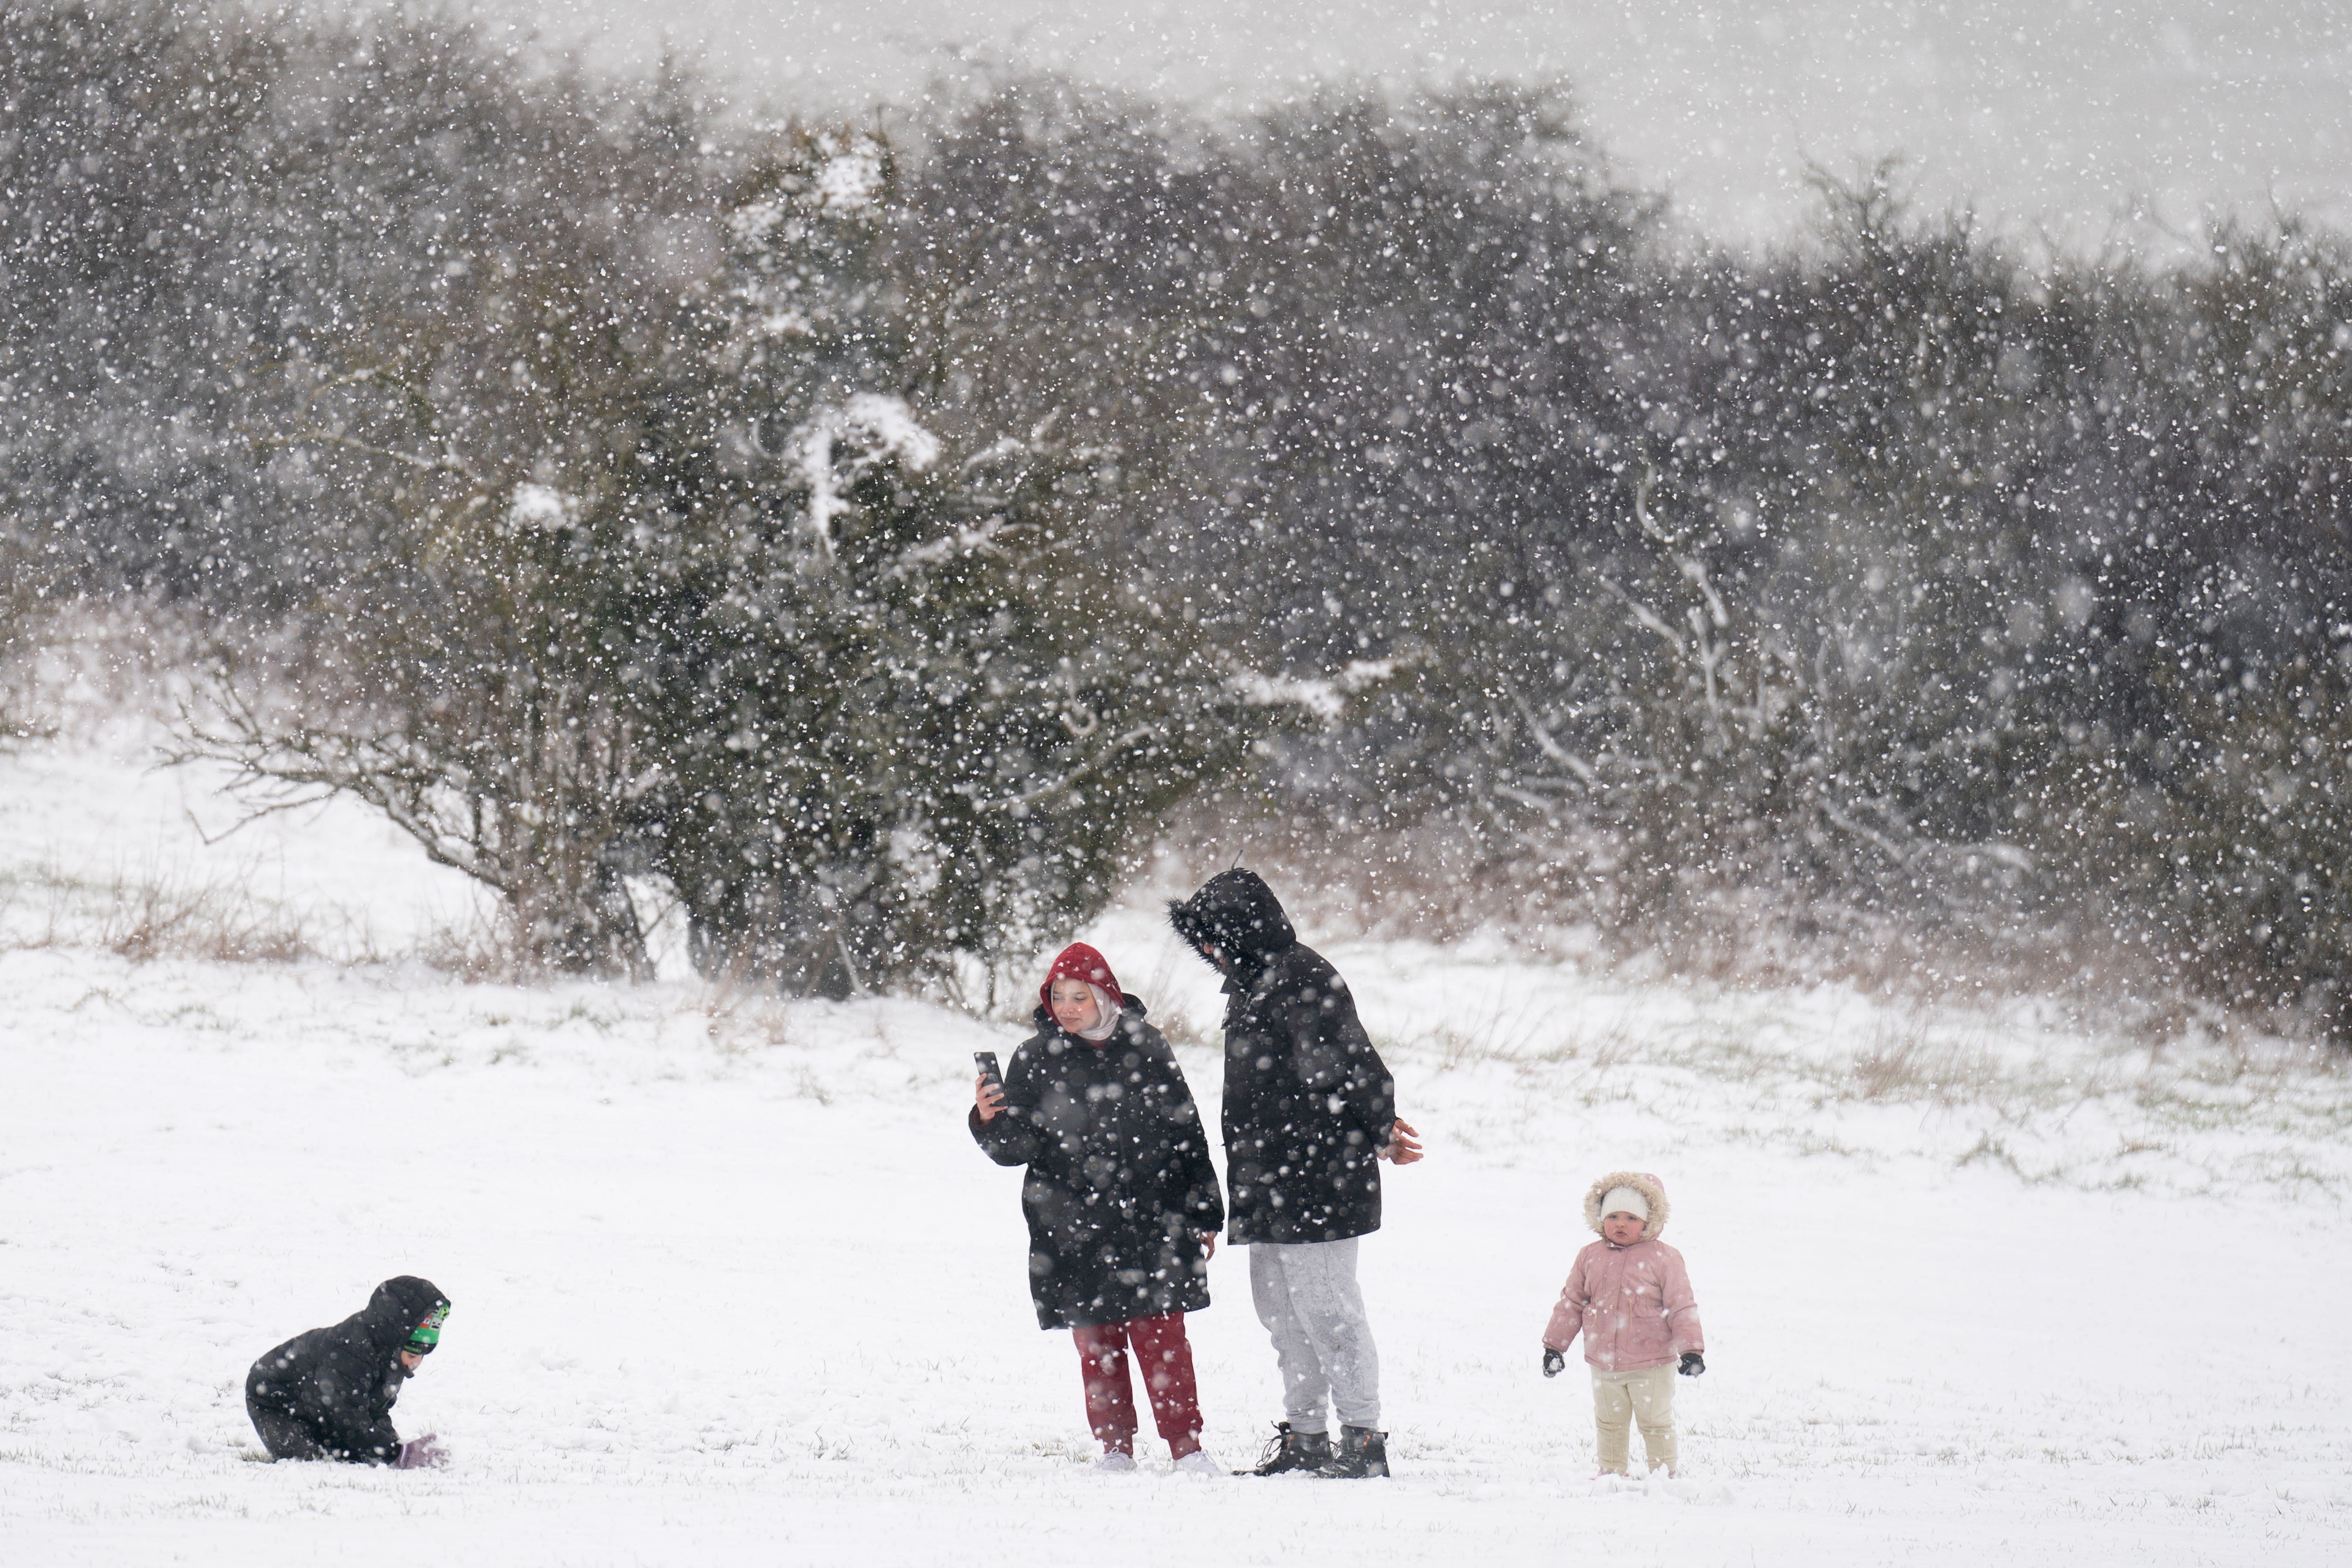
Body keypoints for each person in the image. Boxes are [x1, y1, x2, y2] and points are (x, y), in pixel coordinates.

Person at [1168, 868, 1422, 1480]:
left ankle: (1362, 1440)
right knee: (1281, 1313)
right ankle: (1306, 1435)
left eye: (1215, 934)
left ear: (1245, 928)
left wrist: (1379, 1124)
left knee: (1329, 1309)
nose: (1208, 949)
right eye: (1200, 938)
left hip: (1320, 1179)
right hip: (1267, 1178)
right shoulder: (1251, 984)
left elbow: (1350, 1064)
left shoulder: (1304, 977)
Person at [971, 942, 1227, 1474]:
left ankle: (1187, 1447)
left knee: (1164, 1341)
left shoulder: (1147, 1046)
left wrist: (1203, 1212)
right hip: (1072, 1225)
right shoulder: (1035, 1058)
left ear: (1105, 995)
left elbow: (1186, 1132)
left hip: (1154, 1218)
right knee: (1098, 1343)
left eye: (1078, 997)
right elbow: (1017, 1151)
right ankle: (1115, 1448)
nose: (1067, 1008)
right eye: (1058, 997)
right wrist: (989, 1120)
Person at [1541, 1171, 1706, 1477]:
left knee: (1655, 1420)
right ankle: (1612, 1471)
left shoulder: (1664, 1258)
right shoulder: (1590, 1256)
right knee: (1609, 1420)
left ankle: (1664, 1473)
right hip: (1604, 1362)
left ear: (1649, 1221)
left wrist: (1691, 1350)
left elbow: (1682, 1305)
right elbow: (1572, 1302)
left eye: (1631, 1217)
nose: (1620, 1224)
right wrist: (1554, 1347)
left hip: (1651, 1361)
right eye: (1613, 1215)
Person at [245, 1276, 452, 1467]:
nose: (416, 1363)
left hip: (320, 1402)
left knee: (352, 1453)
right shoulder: (350, 1354)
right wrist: (396, 1453)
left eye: (423, 1356)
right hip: (275, 1398)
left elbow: (375, 1411)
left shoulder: (391, 1356)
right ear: (396, 1337)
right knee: (310, 1461)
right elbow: (349, 1417)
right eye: (413, 1354)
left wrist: (396, 1446)